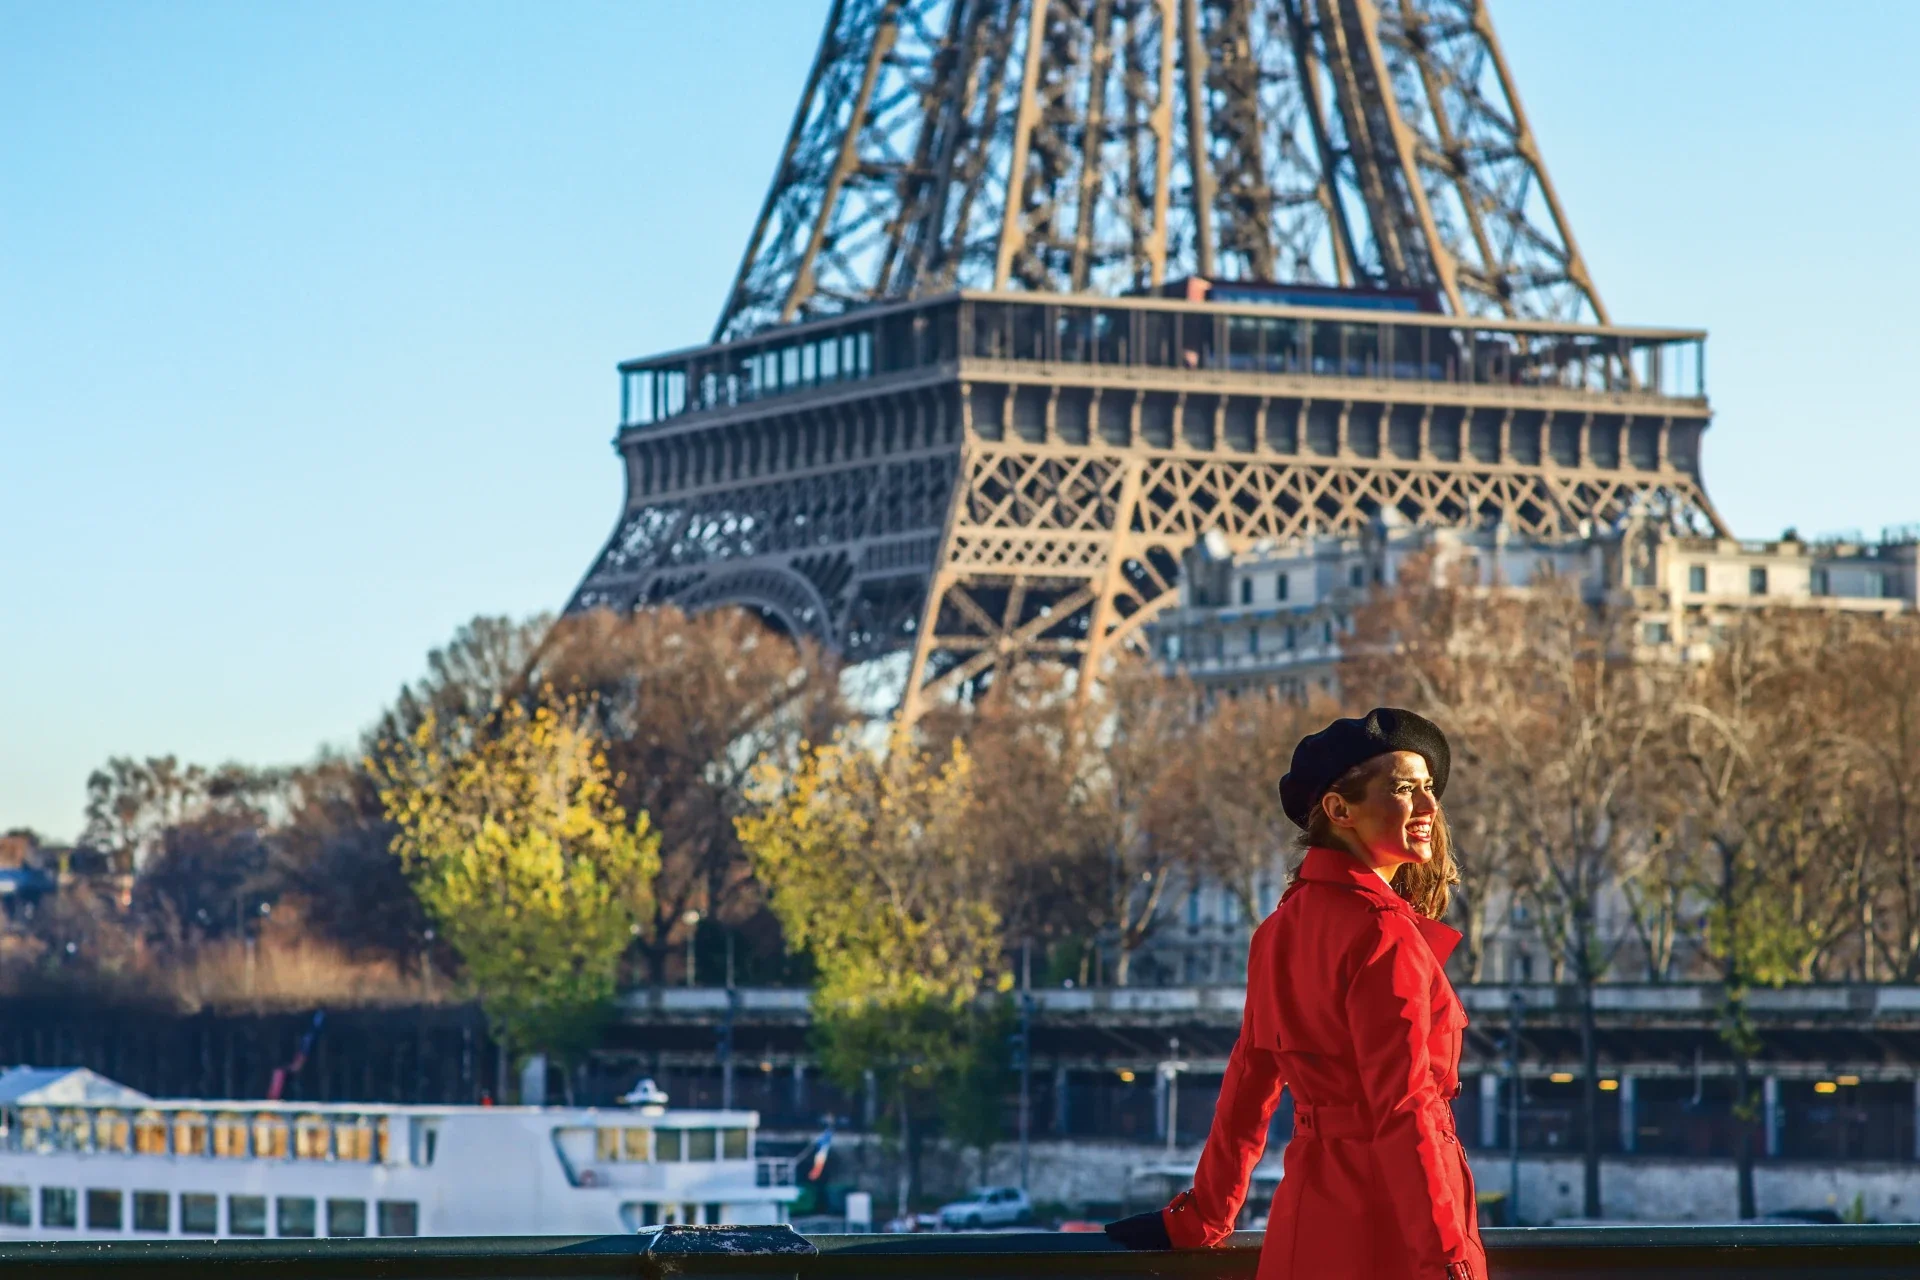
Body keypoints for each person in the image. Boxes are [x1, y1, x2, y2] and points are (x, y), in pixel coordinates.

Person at [1107, 707, 1483, 1280]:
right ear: (1339, 810)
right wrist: (1446, 1259)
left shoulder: (1278, 929)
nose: (1431, 807)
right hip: (1395, 1233)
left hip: (1309, 1222)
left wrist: (1203, 1217)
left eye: (1429, 788)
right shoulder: (1383, 933)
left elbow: (1248, 1085)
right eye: (1405, 790)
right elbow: (1403, 1110)